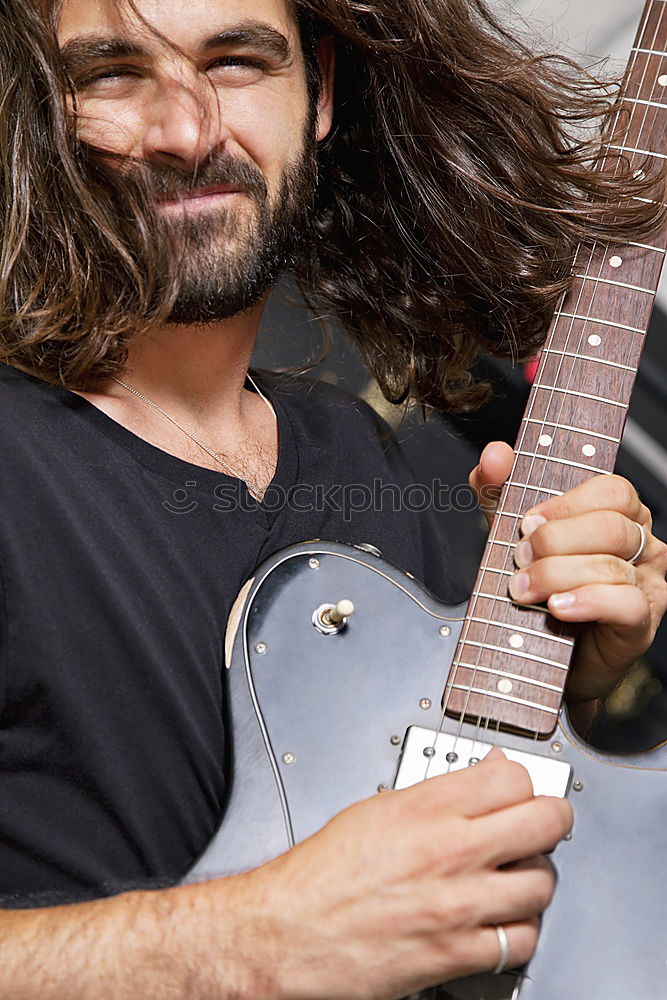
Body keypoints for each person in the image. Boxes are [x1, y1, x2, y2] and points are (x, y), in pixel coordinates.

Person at [0, 0, 665, 996]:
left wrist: (560, 671)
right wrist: (249, 942)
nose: (186, 131)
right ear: (35, 112)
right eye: (113, 74)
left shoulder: (350, 448)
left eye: (234, 62)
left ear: (318, 93)